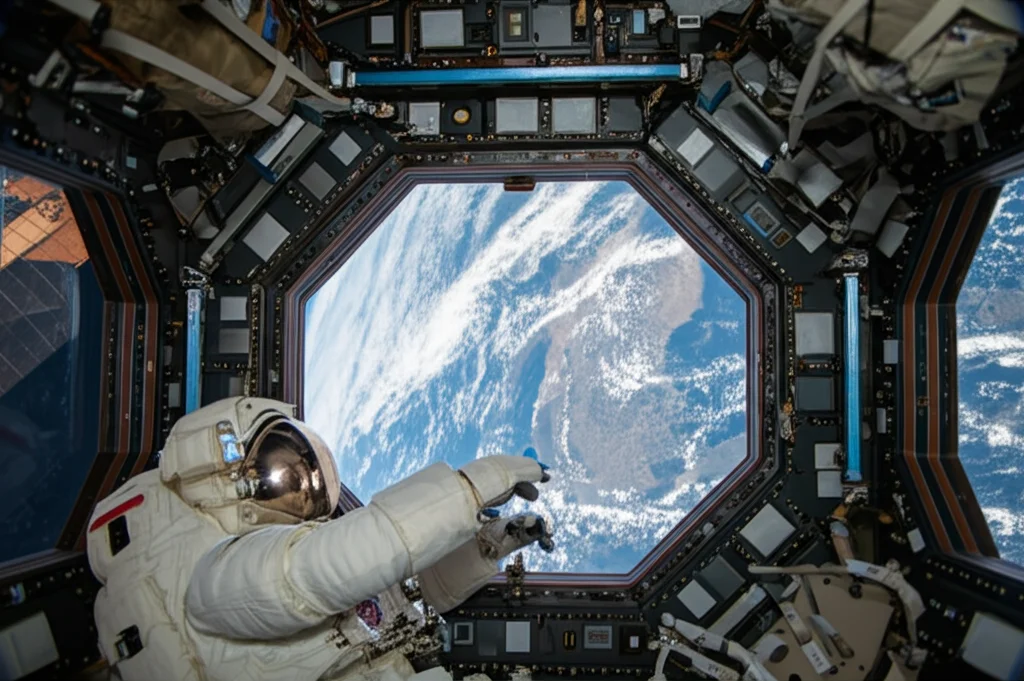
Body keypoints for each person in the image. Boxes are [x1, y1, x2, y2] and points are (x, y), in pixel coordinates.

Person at [86, 397, 555, 681]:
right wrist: (471, 486)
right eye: (280, 473)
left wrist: (490, 544)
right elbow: (308, 572)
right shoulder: (214, 584)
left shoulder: (220, 578)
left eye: (305, 497)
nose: (293, 495)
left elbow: (417, 590)